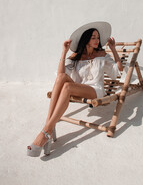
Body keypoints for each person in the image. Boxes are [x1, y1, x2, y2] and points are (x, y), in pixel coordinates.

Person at [27, 22, 123, 157]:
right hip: (79, 87)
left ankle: (45, 131)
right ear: (86, 39)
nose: (97, 40)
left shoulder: (101, 54)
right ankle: (48, 128)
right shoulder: (76, 56)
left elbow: (118, 70)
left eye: (98, 37)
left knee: (67, 86)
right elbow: (60, 73)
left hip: (95, 90)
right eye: (93, 37)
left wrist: (113, 49)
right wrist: (64, 51)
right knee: (62, 78)